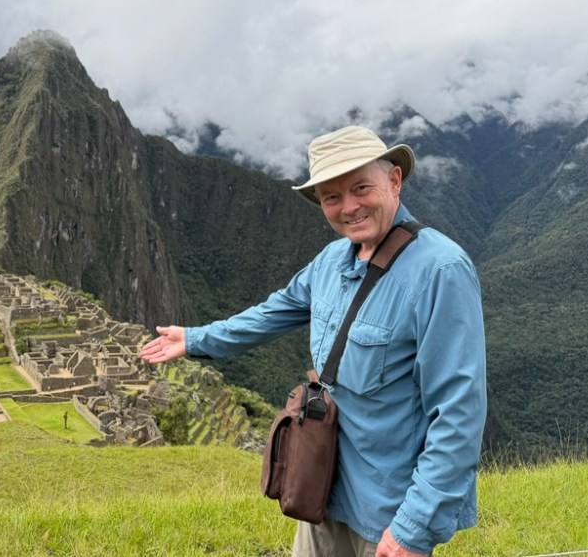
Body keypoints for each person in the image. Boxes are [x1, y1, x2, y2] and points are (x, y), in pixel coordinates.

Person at [140, 126, 487, 557]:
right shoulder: (331, 262)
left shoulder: (440, 271)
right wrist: (195, 339)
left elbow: (459, 411)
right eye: (331, 198)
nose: (349, 208)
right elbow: (272, 313)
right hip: (321, 488)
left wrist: (413, 528)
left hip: (387, 511)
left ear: (394, 181)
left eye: (361, 188)